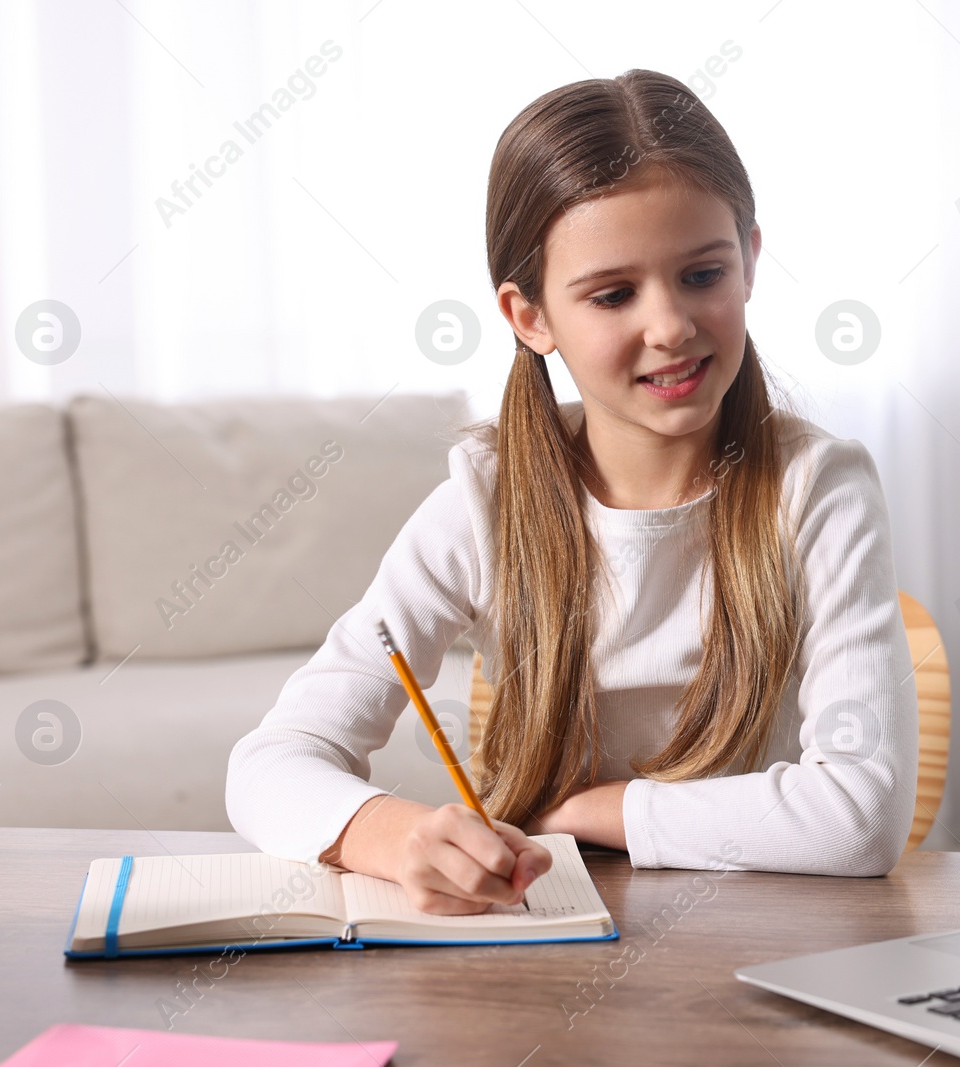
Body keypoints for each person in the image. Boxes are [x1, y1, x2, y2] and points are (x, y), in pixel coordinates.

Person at [226, 69, 918, 915]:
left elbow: (860, 817)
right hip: (538, 953)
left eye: (703, 274)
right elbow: (270, 762)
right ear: (530, 316)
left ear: (750, 261)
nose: (670, 325)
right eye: (614, 294)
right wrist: (393, 833)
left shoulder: (817, 488)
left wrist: (593, 808)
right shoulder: (485, 500)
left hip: (753, 945)